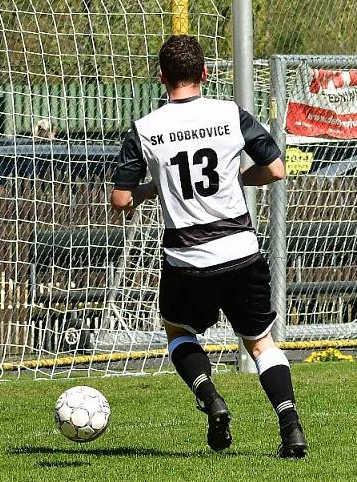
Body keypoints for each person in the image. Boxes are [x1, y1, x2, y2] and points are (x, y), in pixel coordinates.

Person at [109, 35, 307, 458]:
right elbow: (275, 169)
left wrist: (153, 189)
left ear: (161, 77)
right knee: (260, 344)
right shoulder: (229, 114)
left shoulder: (144, 129)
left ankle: (211, 397)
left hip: (186, 259)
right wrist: (236, 179)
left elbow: (121, 199)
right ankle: (290, 428)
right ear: (204, 73)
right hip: (240, 250)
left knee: (180, 333)